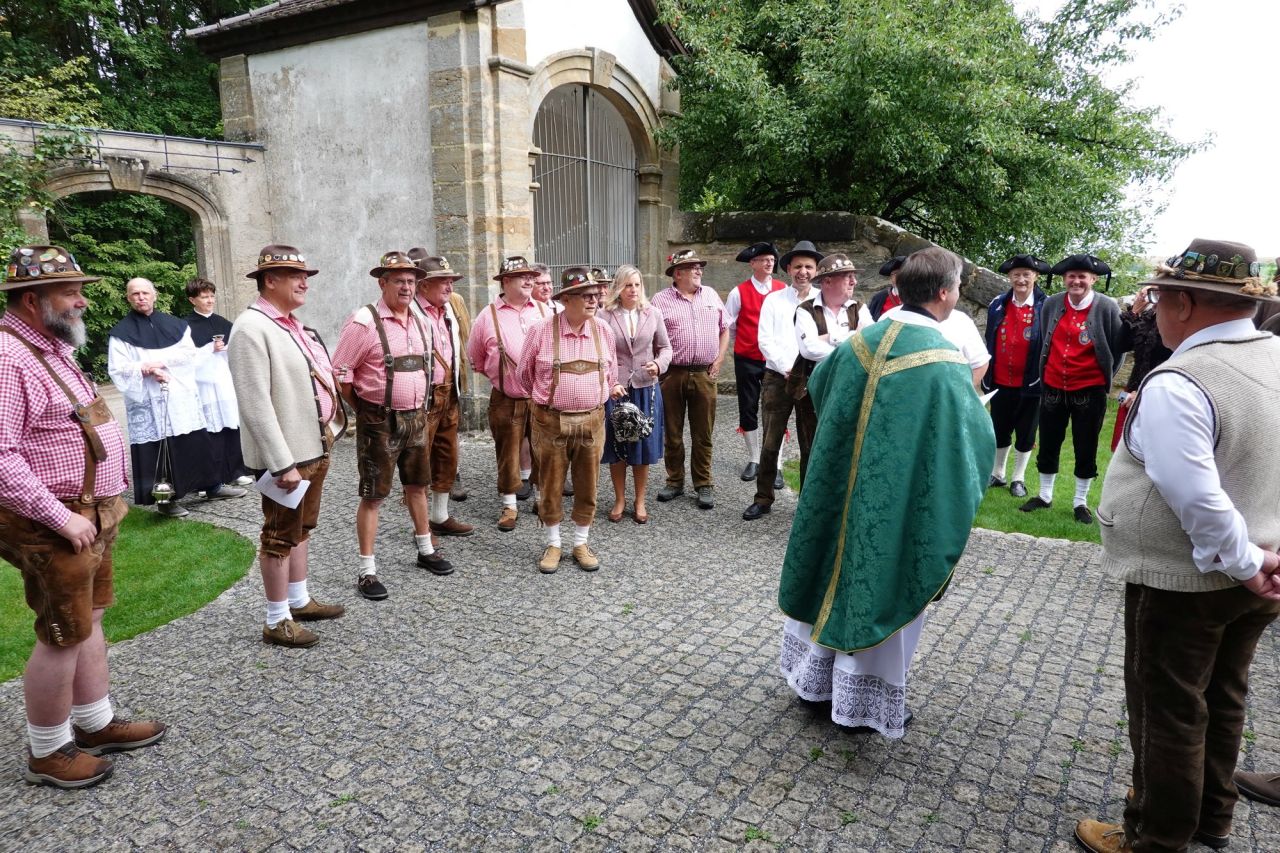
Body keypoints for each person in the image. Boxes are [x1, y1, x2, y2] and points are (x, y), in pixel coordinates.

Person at [1075, 238, 1280, 853]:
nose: (1153, 309)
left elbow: (1198, 498)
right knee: (1223, 697)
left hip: (1189, 581)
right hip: (1263, 573)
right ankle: (1211, 820)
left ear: (1185, 302)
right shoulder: (1275, 356)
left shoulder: (1182, 381)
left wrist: (1245, 563)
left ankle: (1157, 840)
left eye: (1160, 298)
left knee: (1168, 712)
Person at [777, 246, 994, 738]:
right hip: (893, 503)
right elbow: (971, 441)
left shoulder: (858, 342)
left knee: (831, 572)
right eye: (958, 286)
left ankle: (816, 686)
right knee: (882, 575)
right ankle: (860, 706)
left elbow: (820, 390)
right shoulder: (943, 364)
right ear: (944, 294)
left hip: (839, 493)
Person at [0, 244, 166, 788]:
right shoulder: (9, 356)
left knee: (89, 619)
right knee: (60, 633)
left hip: (88, 514)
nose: (83, 303)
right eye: (71, 293)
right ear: (31, 300)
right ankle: (48, 751)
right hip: (53, 522)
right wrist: (60, 516)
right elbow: (1, 456)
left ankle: (93, 722)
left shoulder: (53, 348)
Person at [228, 245, 347, 647]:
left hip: (311, 447)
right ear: (269, 280)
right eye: (294, 276)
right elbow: (255, 403)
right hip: (287, 458)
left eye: (305, 276)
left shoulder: (290, 324)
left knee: (302, 529)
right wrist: (280, 464)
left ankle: (298, 600)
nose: (304, 283)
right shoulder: (250, 327)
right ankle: (276, 618)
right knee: (279, 536)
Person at [333, 251, 451, 603]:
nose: (406, 286)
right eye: (398, 280)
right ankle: (367, 570)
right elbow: (340, 373)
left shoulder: (421, 321)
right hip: (378, 420)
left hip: (416, 416)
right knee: (374, 495)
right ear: (382, 282)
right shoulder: (363, 322)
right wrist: (365, 410)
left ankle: (425, 549)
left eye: (411, 281)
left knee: (417, 486)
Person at [108, 277, 246, 518]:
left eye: (145, 293)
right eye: (135, 294)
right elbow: (118, 369)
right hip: (150, 399)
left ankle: (212, 486)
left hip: (181, 396)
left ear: (155, 295)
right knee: (160, 449)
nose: (141, 297)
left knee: (195, 441)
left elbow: (189, 355)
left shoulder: (175, 325)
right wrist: (145, 369)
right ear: (128, 298)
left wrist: (159, 363)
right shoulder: (121, 333)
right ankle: (166, 499)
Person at [517, 267, 625, 572]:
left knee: (587, 483)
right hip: (550, 421)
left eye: (595, 295)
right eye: (586, 295)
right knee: (550, 483)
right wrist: (546, 400)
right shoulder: (540, 331)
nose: (594, 300)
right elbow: (523, 376)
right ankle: (553, 543)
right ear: (567, 299)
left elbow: (612, 373)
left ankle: (580, 542)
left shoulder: (603, 331)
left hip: (593, 419)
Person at [1019, 253, 1130, 524]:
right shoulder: (1052, 304)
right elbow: (1046, 338)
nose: (1076, 281)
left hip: (1089, 390)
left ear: (1093, 279)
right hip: (1054, 387)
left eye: (1082, 276)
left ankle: (1080, 502)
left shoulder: (1106, 306)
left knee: (1086, 446)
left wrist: (1105, 377)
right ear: (1064, 279)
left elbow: (1118, 348)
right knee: (1048, 442)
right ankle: (1044, 495)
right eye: (1071, 276)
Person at [743, 240, 823, 520]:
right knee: (770, 441)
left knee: (809, 442)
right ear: (788, 268)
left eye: (809, 267)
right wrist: (787, 368)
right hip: (778, 377)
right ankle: (763, 497)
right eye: (798, 266)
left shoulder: (822, 302)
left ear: (816, 270)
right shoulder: (774, 300)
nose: (803, 271)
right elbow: (764, 339)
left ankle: (807, 502)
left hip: (812, 380)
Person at [466, 255, 545, 532]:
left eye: (531, 276)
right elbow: (474, 357)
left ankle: (541, 498)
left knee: (543, 449)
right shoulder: (488, 316)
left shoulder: (545, 311)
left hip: (540, 397)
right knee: (507, 451)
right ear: (506, 281)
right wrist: (499, 375)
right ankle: (509, 505)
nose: (529, 280)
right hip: (505, 396)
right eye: (522, 276)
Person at [650, 250, 729, 509]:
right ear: (677, 273)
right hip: (672, 373)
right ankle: (674, 481)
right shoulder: (659, 301)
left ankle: (704, 483)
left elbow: (724, 329)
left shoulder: (711, 295)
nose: (698, 271)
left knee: (703, 432)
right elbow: (650, 337)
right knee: (672, 432)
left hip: (704, 373)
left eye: (699, 267)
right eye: (692, 267)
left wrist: (718, 361)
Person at [789, 253, 873, 485]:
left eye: (853, 277)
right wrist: (850, 338)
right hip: (813, 390)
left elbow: (871, 344)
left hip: (852, 390)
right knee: (812, 447)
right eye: (847, 277)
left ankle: (840, 508)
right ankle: (808, 508)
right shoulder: (805, 310)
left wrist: (829, 337)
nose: (854, 282)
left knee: (847, 447)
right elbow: (808, 349)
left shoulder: (860, 308)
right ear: (827, 281)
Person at [599, 264, 671, 524]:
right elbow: (600, 355)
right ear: (618, 287)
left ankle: (640, 500)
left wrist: (658, 365)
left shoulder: (653, 313)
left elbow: (665, 348)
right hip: (616, 390)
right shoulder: (604, 316)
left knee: (642, 445)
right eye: (628, 285)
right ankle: (620, 499)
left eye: (637, 285)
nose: (633, 290)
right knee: (617, 445)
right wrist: (610, 383)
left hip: (645, 387)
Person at [411, 254, 474, 542]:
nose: (449, 287)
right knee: (419, 462)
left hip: (449, 391)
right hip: (424, 397)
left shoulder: (448, 309)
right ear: (423, 286)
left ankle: (439, 516)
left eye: (450, 281)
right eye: (442, 282)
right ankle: (421, 527)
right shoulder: (412, 312)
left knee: (447, 457)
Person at [982, 254, 1050, 497]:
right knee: (999, 428)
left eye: (1026, 274)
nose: (1021, 279)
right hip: (1000, 378)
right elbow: (989, 338)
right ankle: (998, 473)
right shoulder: (998, 303)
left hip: (1031, 381)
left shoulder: (1047, 305)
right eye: (1016, 274)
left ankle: (1018, 478)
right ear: (1009, 277)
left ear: (1036, 276)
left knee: (1026, 431)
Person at [725, 242, 785, 481]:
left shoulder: (783, 290)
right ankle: (754, 458)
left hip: (776, 360)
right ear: (753, 264)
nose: (770, 262)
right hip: (747, 359)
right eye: (764, 259)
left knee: (777, 409)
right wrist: (740, 348)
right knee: (748, 407)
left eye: (772, 259)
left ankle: (777, 463)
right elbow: (728, 326)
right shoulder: (738, 292)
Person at [185, 277, 251, 490]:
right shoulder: (185, 327)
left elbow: (239, 350)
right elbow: (185, 358)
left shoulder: (224, 323)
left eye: (212, 296)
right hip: (203, 384)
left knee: (232, 425)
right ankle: (215, 477)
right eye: (204, 297)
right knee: (211, 431)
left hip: (224, 381)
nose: (210, 300)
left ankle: (237, 471)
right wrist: (209, 350)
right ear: (192, 300)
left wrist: (227, 349)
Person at [1111, 284, 1171, 451]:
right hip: (1132, 391)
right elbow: (1121, 345)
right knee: (1124, 450)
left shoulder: (1176, 323)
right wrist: (1134, 312)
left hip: (1158, 394)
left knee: (1150, 451)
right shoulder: (1148, 317)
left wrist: (1143, 392)